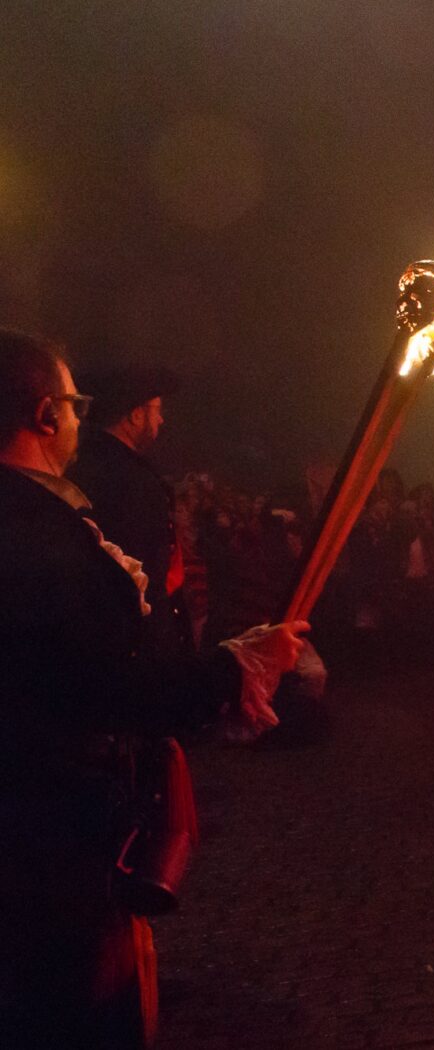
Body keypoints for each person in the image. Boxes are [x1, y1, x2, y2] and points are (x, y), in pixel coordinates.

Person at [0, 331, 308, 1047]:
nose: (82, 421)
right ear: (47, 414)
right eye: (74, 405)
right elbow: (117, 680)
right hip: (56, 852)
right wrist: (233, 672)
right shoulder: (44, 536)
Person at [68, 365, 187, 657]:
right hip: (135, 648)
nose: (161, 419)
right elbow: (147, 576)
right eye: (156, 409)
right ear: (135, 415)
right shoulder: (133, 481)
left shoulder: (75, 466)